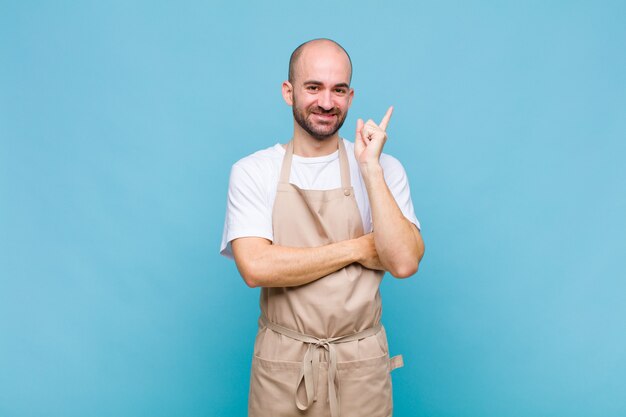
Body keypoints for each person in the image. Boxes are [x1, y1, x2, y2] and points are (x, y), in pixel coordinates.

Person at [220, 38, 425, 417]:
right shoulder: (253, 171)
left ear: (351, 95)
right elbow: (256, 267)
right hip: (283, 364)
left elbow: (404, 262)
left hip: (360, 364)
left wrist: (371, 170)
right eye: (313, 87)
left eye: (339, 90)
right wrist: (360, 249)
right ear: (289, 92)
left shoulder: (384, 168)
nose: (327, 103)